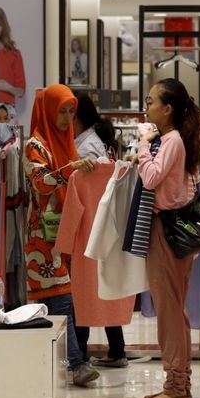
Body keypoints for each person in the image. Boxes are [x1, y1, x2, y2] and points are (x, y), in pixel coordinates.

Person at [133, 78, 200, 398]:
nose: (146, 107)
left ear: (167, 108)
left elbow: (151, 178)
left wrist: (144, 145)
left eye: (150, 102)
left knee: (169, 311)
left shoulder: (171, 140)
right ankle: (179, 382)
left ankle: (175, 386)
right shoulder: (181, 140)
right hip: (177, 231)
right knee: (174, 308)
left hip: (166, 230)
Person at [23, 84, 100, 386]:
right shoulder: (36, 145)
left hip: (67, 231)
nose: (68, 118)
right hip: (42, 237)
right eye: (62, 111)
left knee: (64, 301)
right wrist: (71, 170)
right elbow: (41, 182)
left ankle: (66, 362)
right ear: (48, 111)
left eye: (71, 112)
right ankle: (77, 364)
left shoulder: (66, 142)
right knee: (62, 299)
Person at [70, 92, 127, 367]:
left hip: (90, 224)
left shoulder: (86, 148)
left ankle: (80, 354)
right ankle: (116, 349)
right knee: (100, 285)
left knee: (85, 288)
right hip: (101, 222)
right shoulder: (92, 142)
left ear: (76, 117)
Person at [0, 7, 26, 117]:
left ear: (4, 27)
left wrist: (7, 87)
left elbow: (21, 91)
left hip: (6, 112)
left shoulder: (14, 54)